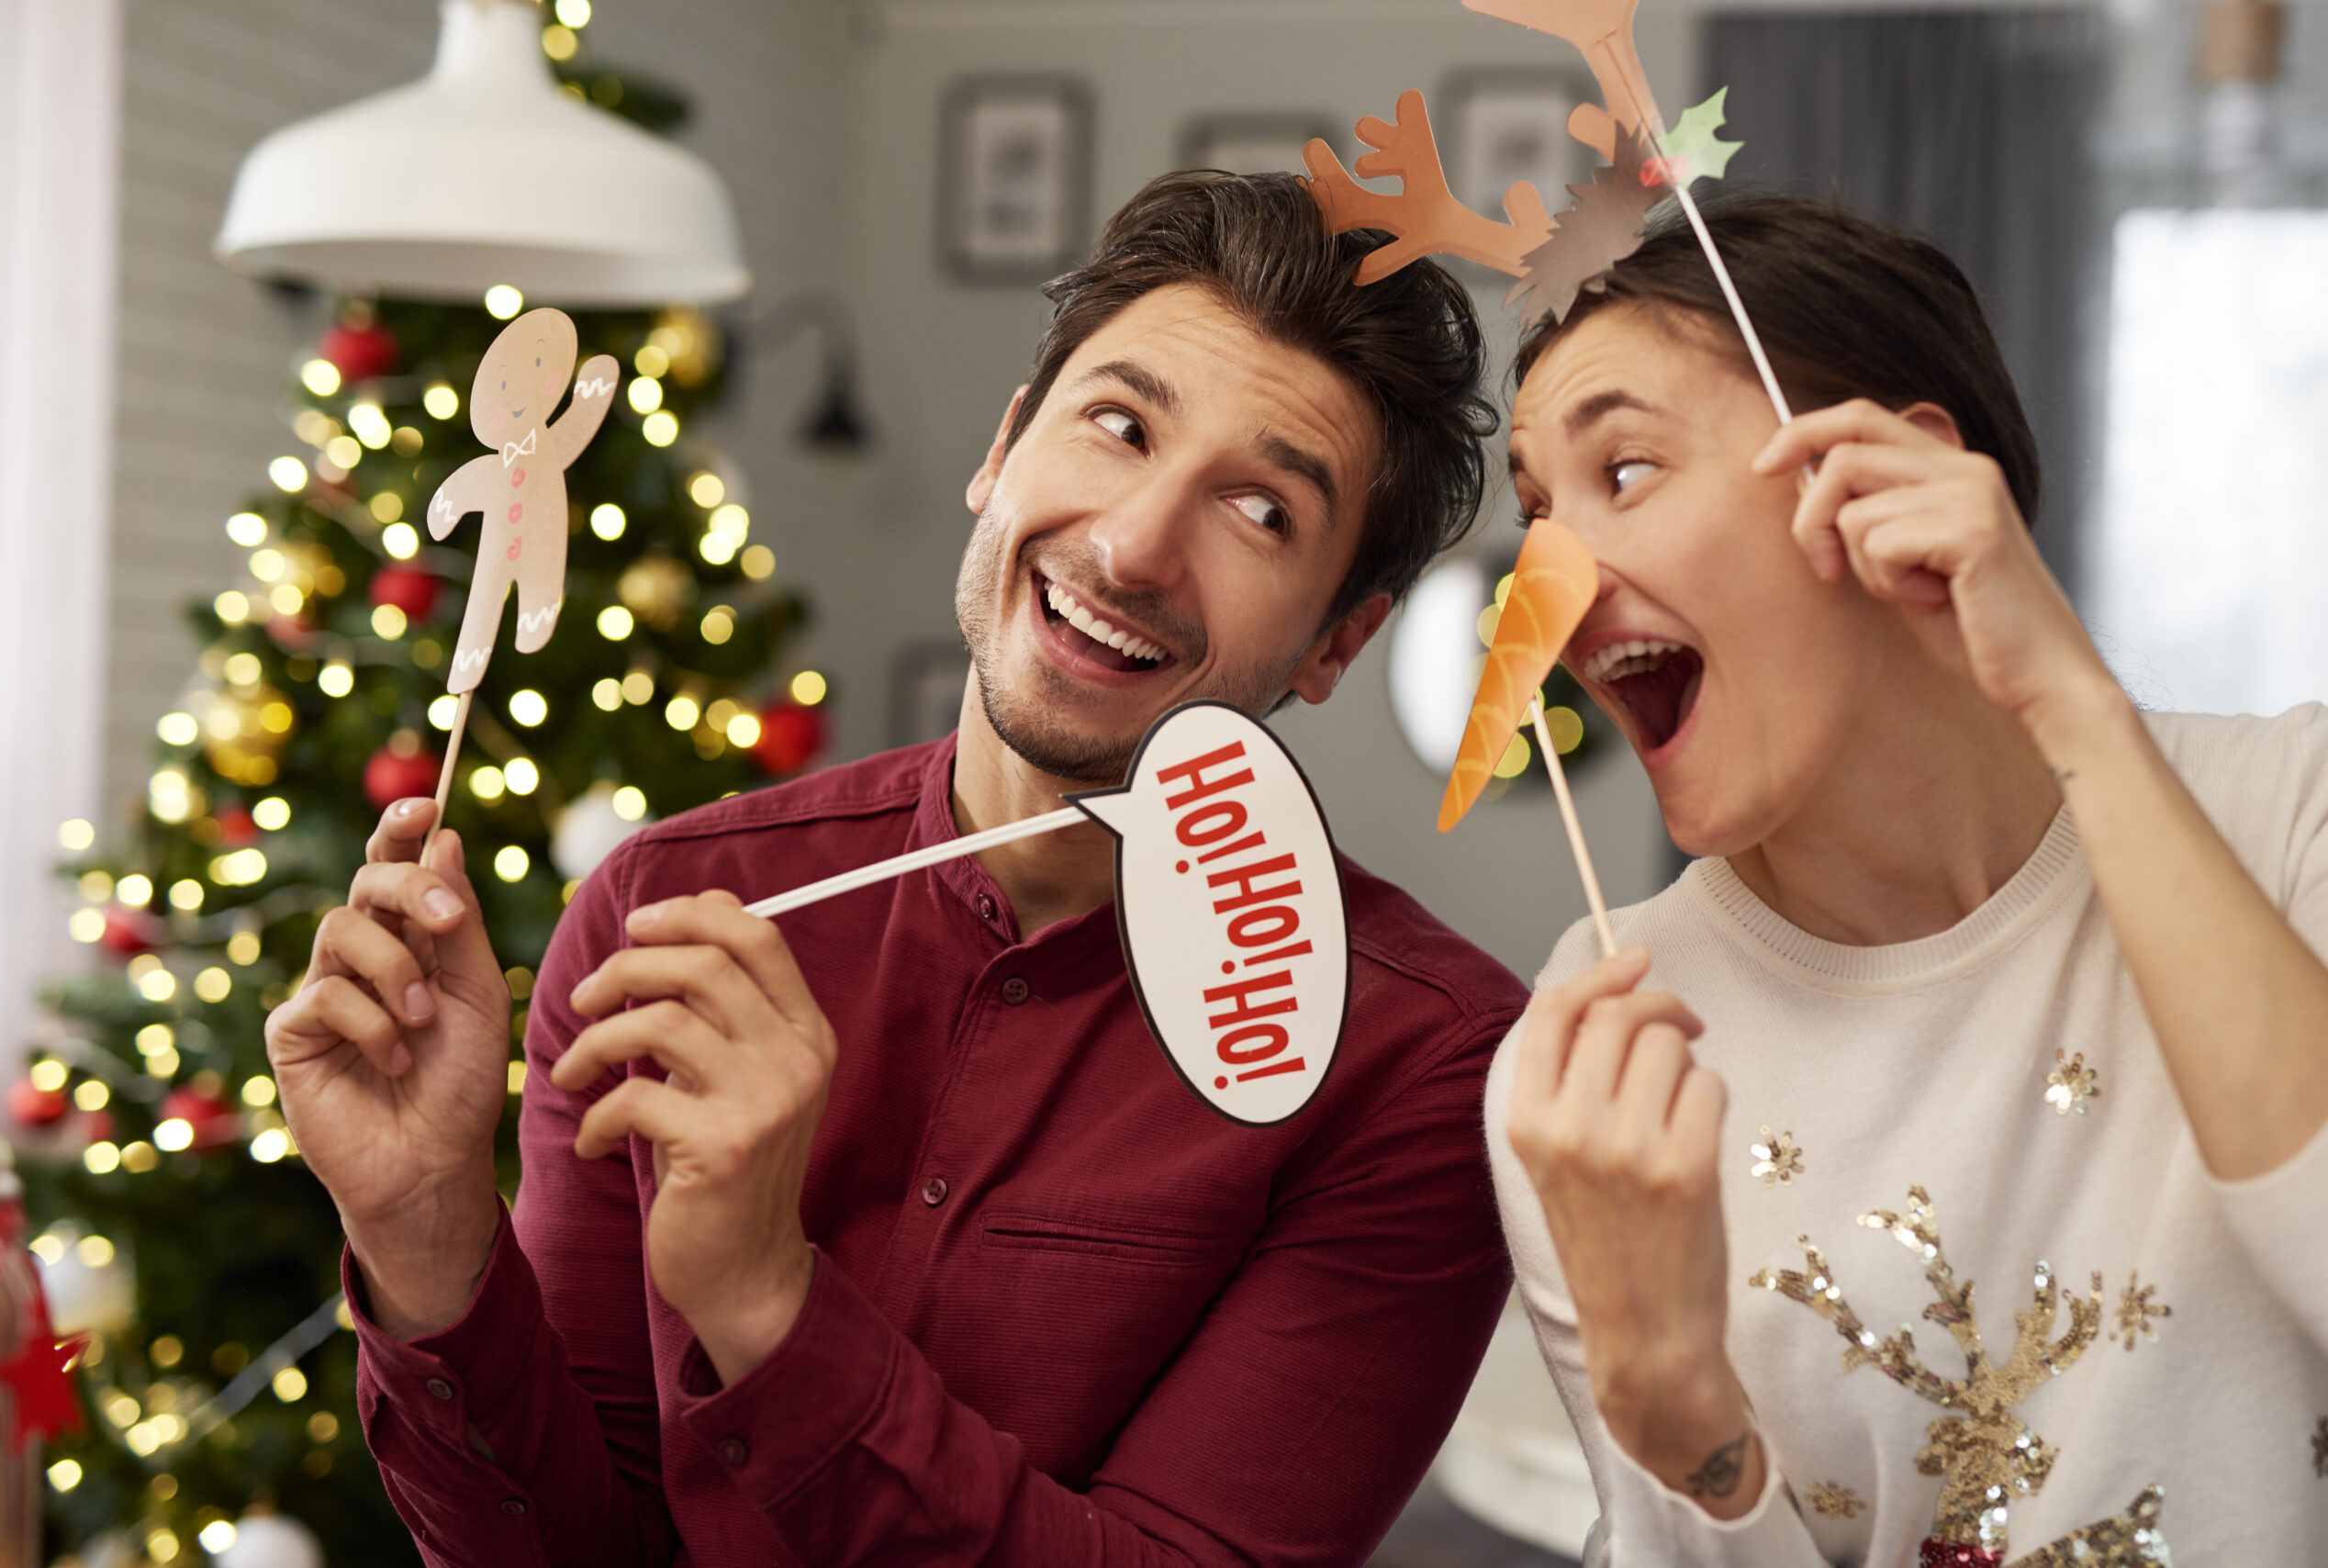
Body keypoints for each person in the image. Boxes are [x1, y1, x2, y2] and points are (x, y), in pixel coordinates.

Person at [267, 170, 1532, 1567]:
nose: (1130, 547)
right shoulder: (660, 911)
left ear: (1336, 643)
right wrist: (426, 1221)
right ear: (1002, 449)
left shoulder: (1423, 1065)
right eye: (1118, 428)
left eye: (1259, 513)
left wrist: (764, 1304)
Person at [1484, 194, 2328, 1565]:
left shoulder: (2293, 813)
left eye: (1623, 471)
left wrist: (2074, 703)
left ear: (1887, 477)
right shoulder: (1602, 1048)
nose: (1547, 587)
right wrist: (1685, 1427)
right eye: (1532, 514)